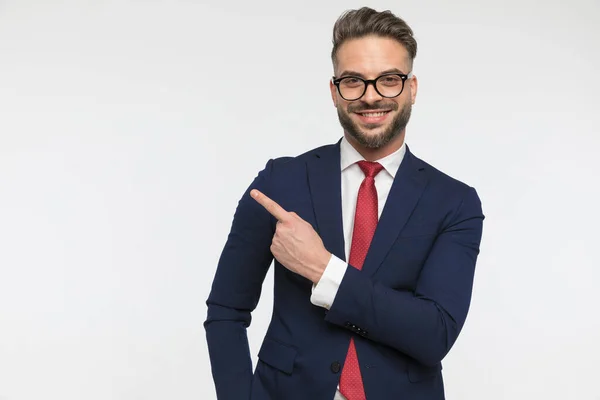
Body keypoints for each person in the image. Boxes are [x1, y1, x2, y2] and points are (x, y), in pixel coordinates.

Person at [204, 6, 484, 400]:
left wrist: (323, 270)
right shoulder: (279, 183)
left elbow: (433, 334)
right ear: (334, 90)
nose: (371, 97)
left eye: (389, 79)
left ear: (412, 88)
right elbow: (225, 312)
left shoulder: (454, 203)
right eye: (353, 81)